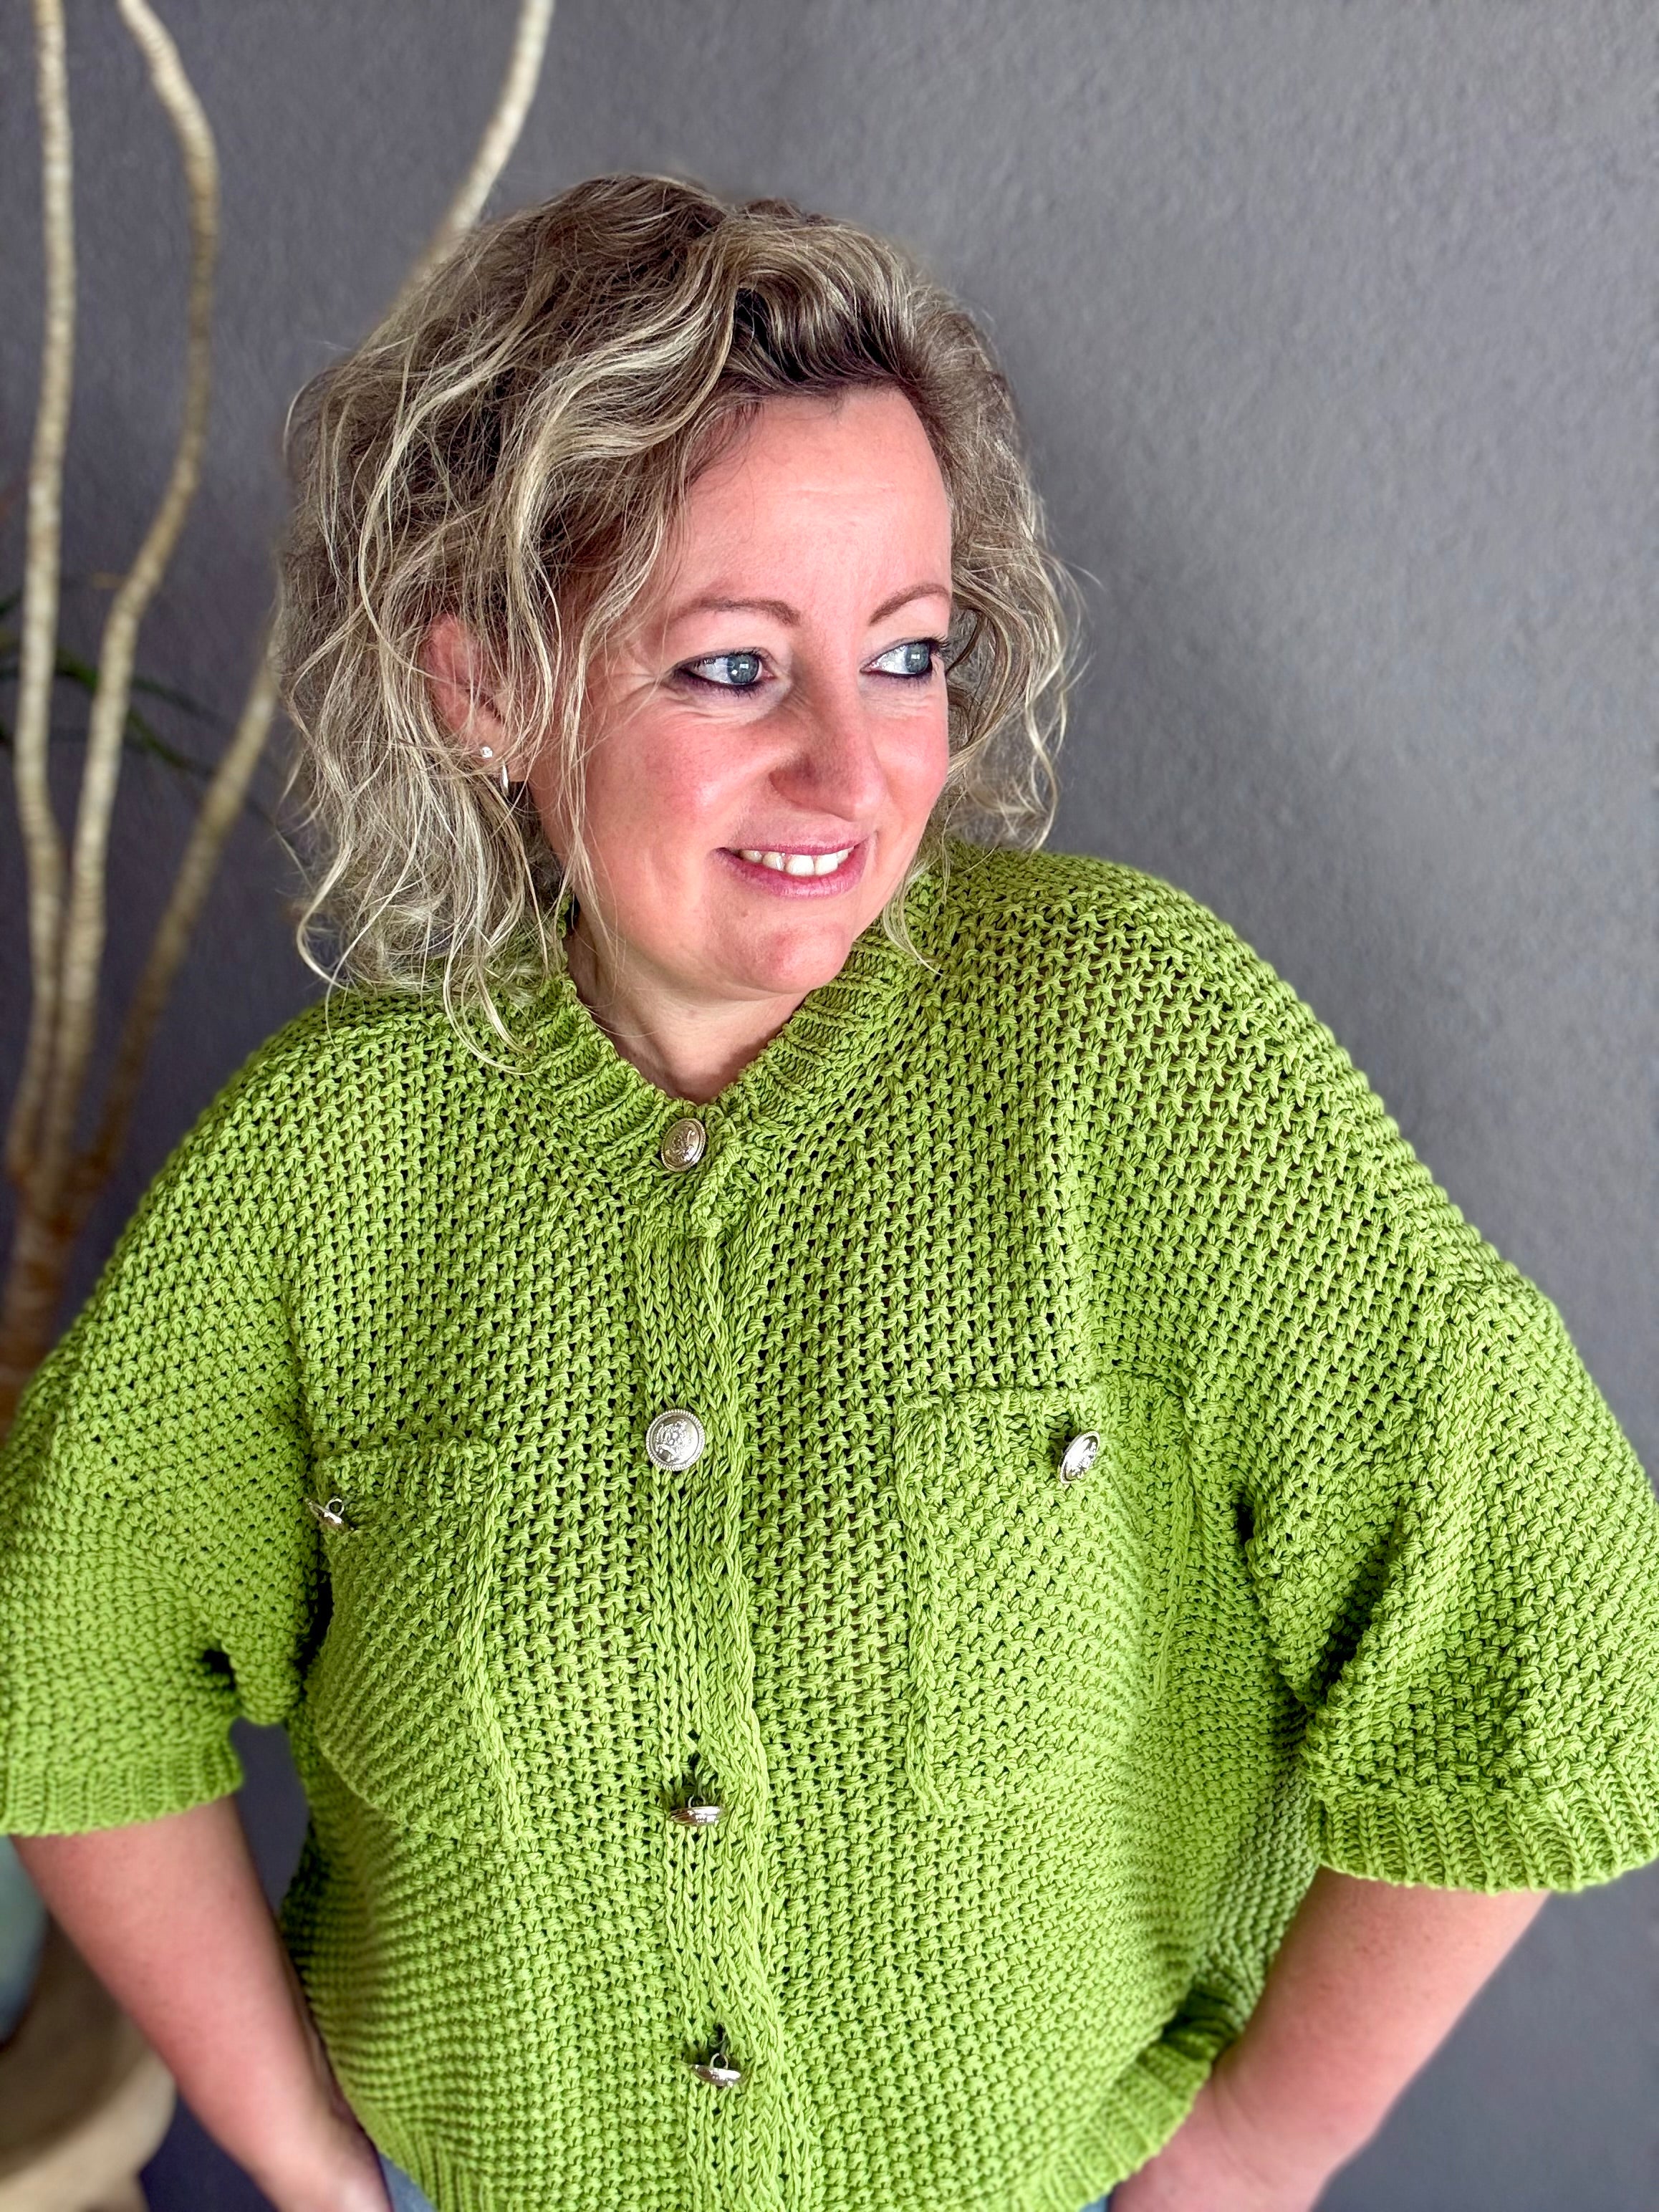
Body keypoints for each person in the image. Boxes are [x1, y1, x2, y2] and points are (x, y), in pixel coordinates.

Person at [2, 172, 1656, 2212]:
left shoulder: (1133, 1067)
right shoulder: (321, 1176)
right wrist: (306, 2165)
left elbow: (1537, 1612)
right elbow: (68, 1676)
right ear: (484, 689)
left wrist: (1251, 2154)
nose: (854, 771)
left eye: (907, 653)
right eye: (730, 669)